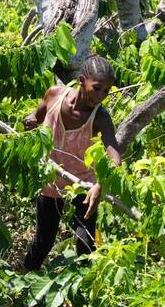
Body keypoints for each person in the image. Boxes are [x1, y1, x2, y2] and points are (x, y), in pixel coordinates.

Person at [22, 55, 122, 271]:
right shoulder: (54, 95)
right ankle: (23, 285)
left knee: (85, 244)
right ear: (81, 81)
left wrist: (99, 184)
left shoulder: (100, 117)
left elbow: (115, 159)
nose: (101, 95)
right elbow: (37, 117)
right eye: (97, 88)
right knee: (43, 241)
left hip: (84, 185)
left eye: (106, 91)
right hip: (51, 180)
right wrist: (29, 122)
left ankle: (85, 294)